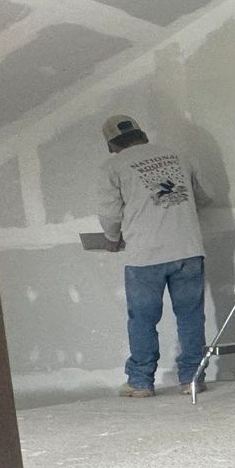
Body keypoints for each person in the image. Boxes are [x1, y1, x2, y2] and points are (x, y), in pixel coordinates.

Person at [96, 115, 208, 398]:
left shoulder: (114, 166)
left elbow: (109, 213)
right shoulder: (177, 156)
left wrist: (112, 238)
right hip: (188, 250)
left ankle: (141, 382)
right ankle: (193, 379)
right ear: (142, 135)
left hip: (145, 256)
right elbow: (200, 197)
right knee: (191, 316)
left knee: (143, 320)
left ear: (111, 145)